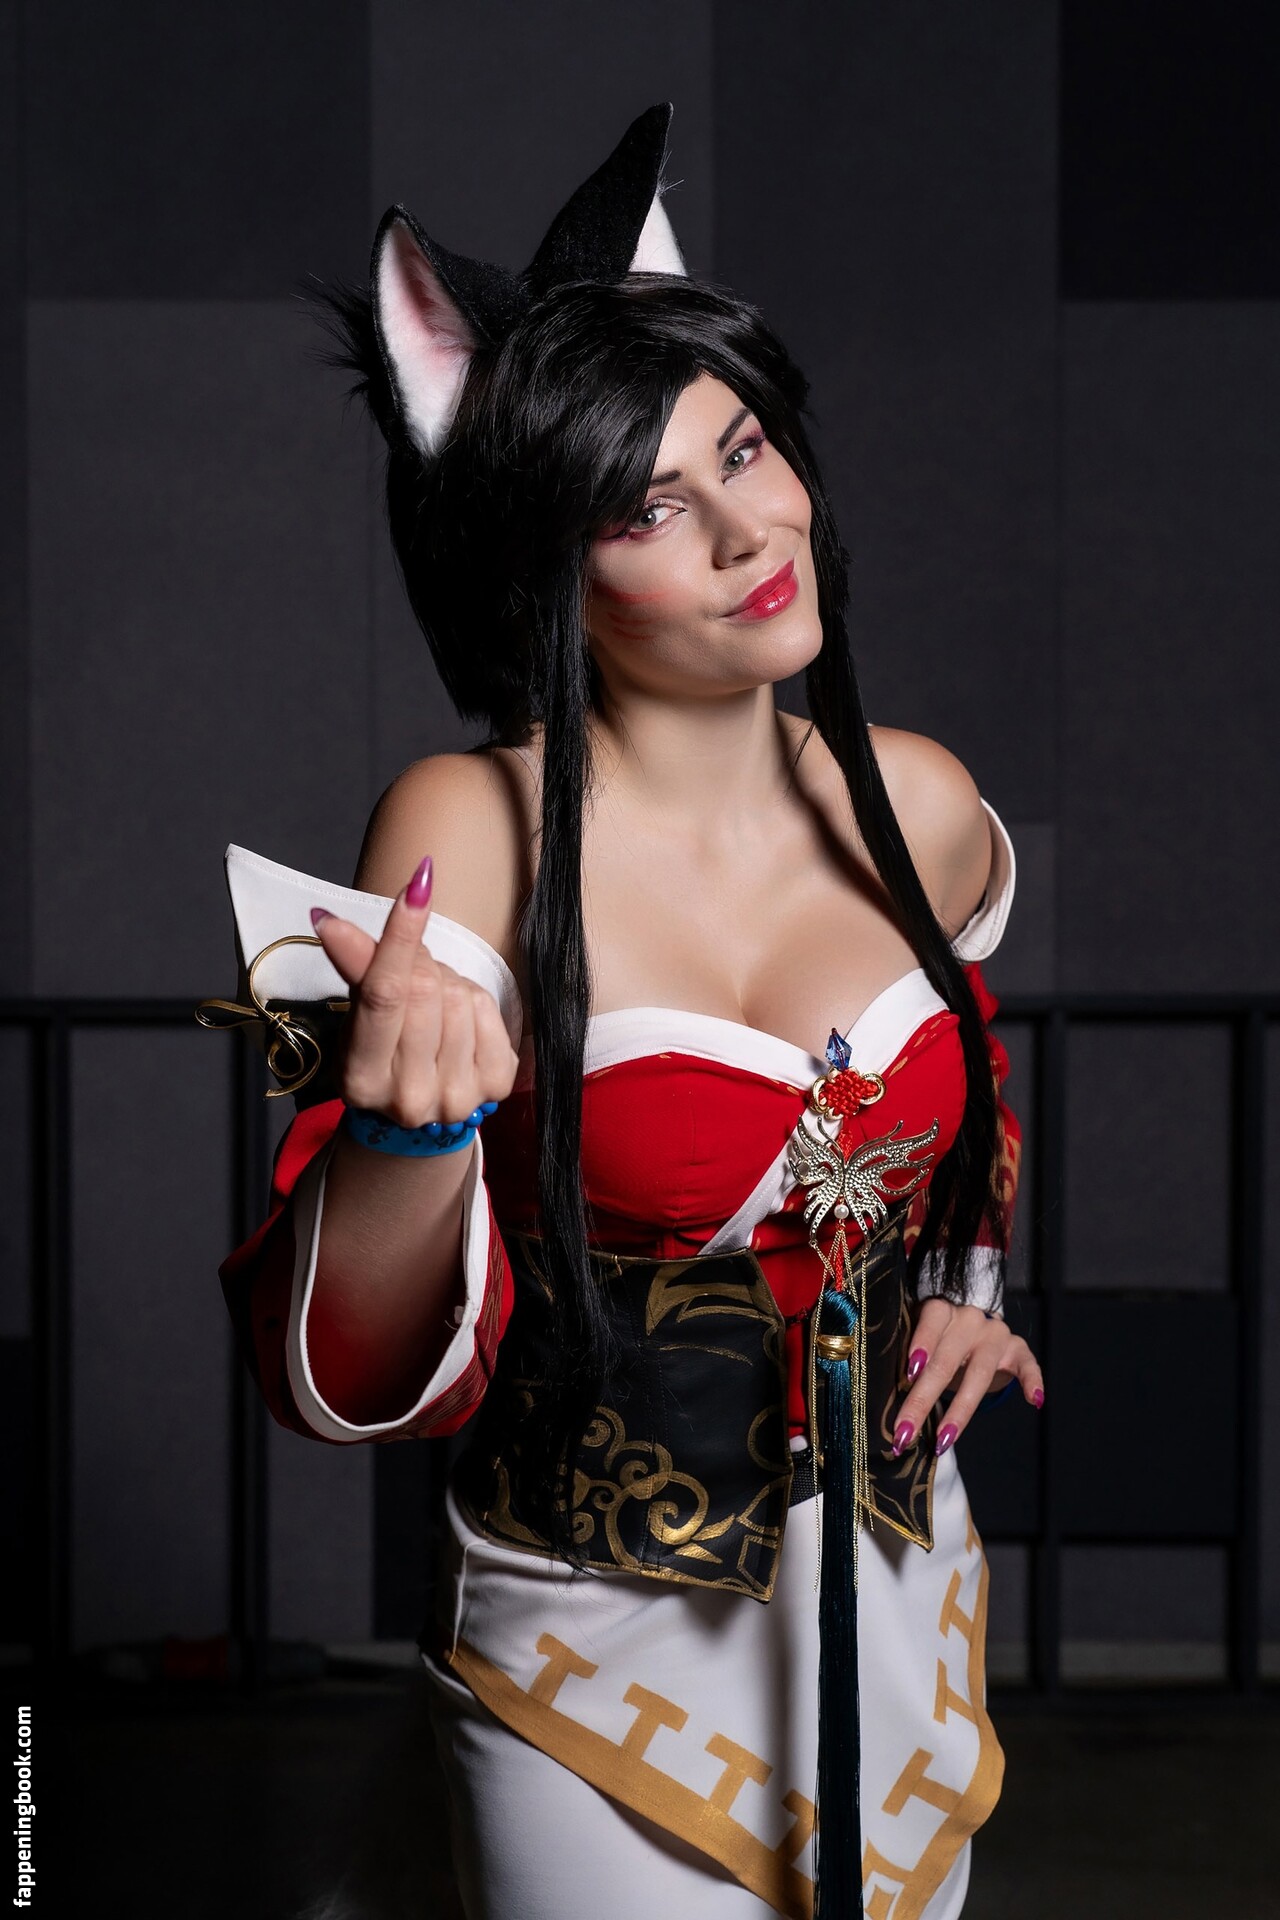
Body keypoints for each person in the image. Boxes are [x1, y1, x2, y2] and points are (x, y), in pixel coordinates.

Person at [210, 104, 1043, 1920]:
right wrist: (415, 1133)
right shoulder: (466, 828)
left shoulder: (918, 796)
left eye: (744, 449)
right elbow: (342, 1378)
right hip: (589, 1632)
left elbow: (963, 1081)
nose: (752, 530)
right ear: (545, 565)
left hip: (903, 1595)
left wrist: (972, 1288)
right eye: (651, 506)